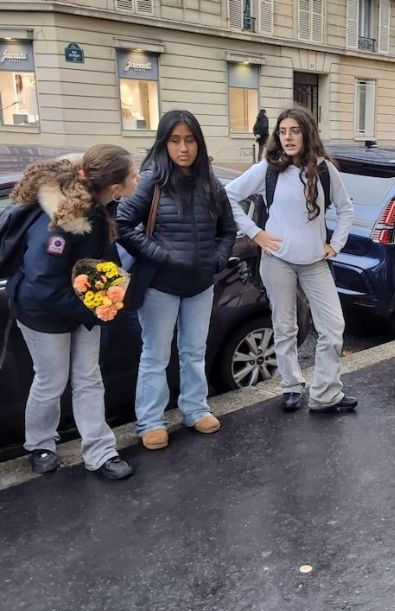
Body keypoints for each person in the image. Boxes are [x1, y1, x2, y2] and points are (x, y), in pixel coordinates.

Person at [7, 145, 138, 479]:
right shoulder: (62, 221)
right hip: (42, 312)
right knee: (51, 380)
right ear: (115, 186)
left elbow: (102, 260)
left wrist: (111, 294)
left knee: (88, 378)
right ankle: (40, 444)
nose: (138, 179)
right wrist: (93, 312)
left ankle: (101, 452)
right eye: (133, 175)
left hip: (80, 304)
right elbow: (44, 284)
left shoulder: (101, 207)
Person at [116, 110, 237, 450]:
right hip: (161, 286)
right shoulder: (151, 181)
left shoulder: (211, 184)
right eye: (175, 140)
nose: (183, 148)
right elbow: (122, 224)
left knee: (194, 351)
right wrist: (161, 255)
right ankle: (150, 422)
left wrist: (217, 259)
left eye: (189, 140)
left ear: (199, 143)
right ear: (164, 143)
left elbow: (228, 230)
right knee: (155, 356)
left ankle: (195, 409)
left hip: (200, 285)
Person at [225, 106, 357, 414]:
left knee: (333, 327)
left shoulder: (324, 169)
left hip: (315, 262)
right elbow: (228, 195)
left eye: (294, 131)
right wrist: (256, 233)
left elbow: (346, 208)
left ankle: (325, 394)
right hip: (277, 260)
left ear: (307, 133)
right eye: (283, 131)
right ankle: (291, 385)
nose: (288, 137)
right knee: (285, 326)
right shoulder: (268, 169)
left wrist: (336, 244)